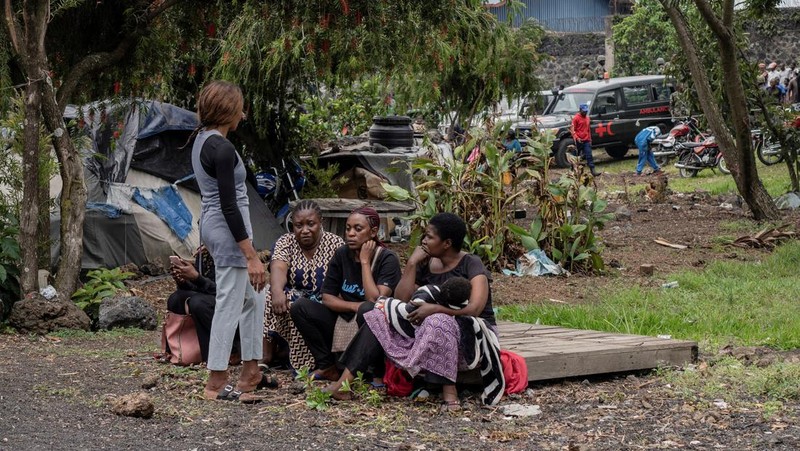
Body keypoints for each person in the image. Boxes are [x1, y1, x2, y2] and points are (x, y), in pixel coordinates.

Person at [324, 213, 500, 411]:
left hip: (471, 337)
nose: (423, 241)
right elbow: (401, 299)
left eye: (429, 236)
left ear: (447, 243)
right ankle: (344, 383)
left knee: (439, 321)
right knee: (378, 313)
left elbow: (475, 309)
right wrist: (412, 264)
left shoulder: (471, 264)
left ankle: (450, 395)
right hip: (426, 330)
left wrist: (435, 309)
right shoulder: (427, 263)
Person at [191, 80, 268, 402]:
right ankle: (216, 381)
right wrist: (250, 254)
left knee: (255, 299)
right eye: (240, 107)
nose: (244, 114)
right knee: (230, 303)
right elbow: (229, 205)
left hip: (216, 225)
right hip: (226, 228)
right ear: (228, 111)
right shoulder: (221, 148)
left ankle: (251, 372)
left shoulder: (201, 140)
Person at [291, 207, 401, 381]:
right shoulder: (342, 254)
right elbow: (327, 297)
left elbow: (375, 300)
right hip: (344, 317)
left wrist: (365, 262)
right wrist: (353, 306)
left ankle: (373, 372)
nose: (350, 233)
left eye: (358, 229)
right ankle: (327, 365)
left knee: (369, 310)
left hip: (372, 325)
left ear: (373, 232)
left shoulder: (387, 259)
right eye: (348, 228)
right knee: (300, 307)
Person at [263, 200, 345, 371]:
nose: (305, 230)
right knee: (272, 294)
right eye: (299, 225)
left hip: (326, 304)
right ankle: (266, 356)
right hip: (295, 301)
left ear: (320, 222)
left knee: (299, 304)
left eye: (311, 224)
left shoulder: (335, 244)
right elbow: (278, 266)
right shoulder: (286, 241)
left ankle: (308, 361)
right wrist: (277, 290)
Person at [570, 103, 600, 177]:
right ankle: (572, 171)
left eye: (586, 111)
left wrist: (590, 139)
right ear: (580, 110)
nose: (585, 112)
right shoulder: (576, 118)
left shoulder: (587, 118)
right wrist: (577, 138)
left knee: (589, 155)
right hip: (578, 141)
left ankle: (593, 171)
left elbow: (588, 130)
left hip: (586, 140)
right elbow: (572, 130)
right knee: (575, 157)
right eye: (584, 111)